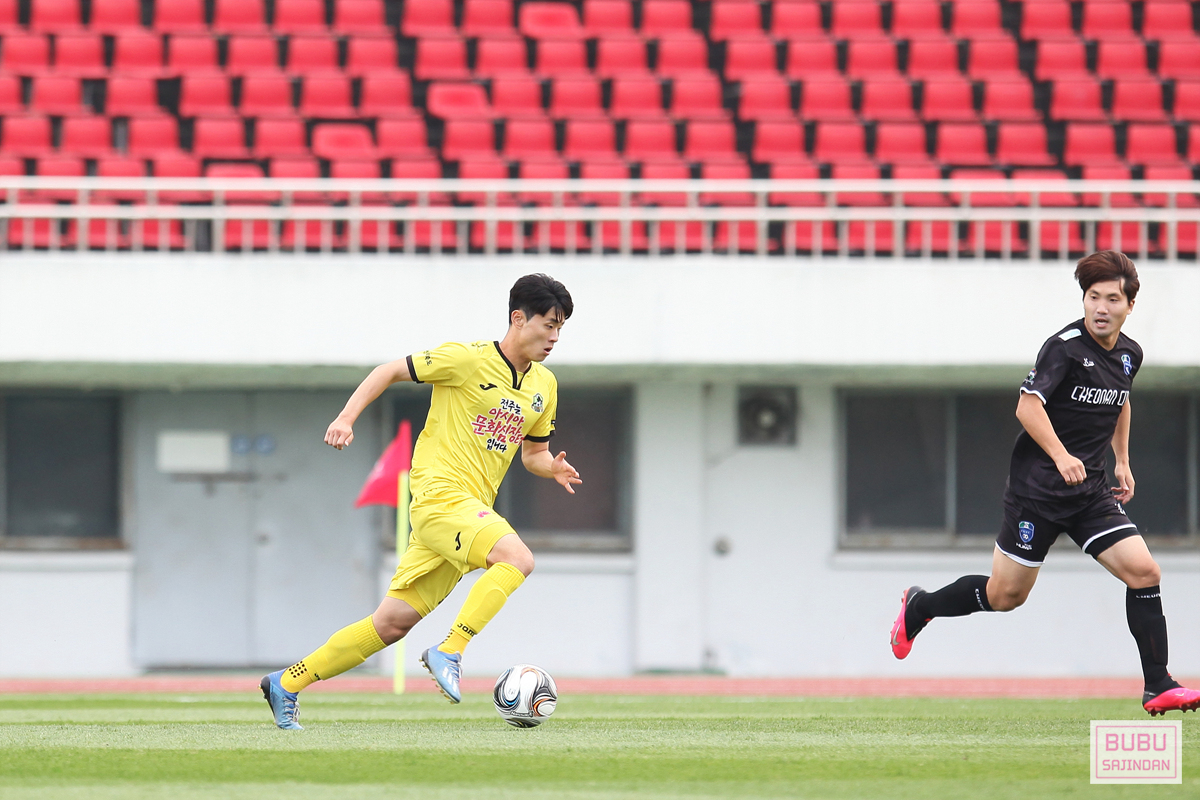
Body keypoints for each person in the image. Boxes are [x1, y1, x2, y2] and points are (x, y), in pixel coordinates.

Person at [261, 274, 581, 729]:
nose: (554, 337)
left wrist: (552, 468)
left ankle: (287, 682)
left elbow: (533, 454)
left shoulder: (544, 385)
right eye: (549, 325)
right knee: (517, 558)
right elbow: (388, 370)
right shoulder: (466, 359)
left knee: (391, 624)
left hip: (467, 512)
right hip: (439, 497)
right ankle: (450, 649)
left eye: (560, 328)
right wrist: (346, 418)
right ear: (518, 318)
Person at [890, 251, 1200, 716]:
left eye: (1111, 299)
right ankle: (920, 607)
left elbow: (1121, 401)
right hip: (1037, 494)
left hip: (1091, 493)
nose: (1100, 307)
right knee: (1006, 596)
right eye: (1092, 297)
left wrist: (1122, 460)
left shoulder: (1130, 354)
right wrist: (1061, 456)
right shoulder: (1064, 348)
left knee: (1145, 572)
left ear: (1129, 305)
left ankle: (1158, 684)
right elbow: (1027, 406)